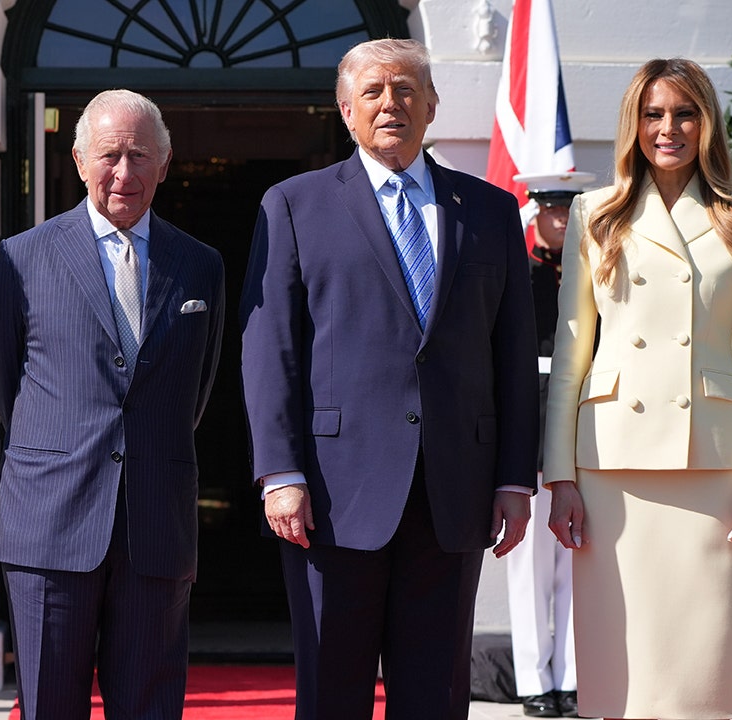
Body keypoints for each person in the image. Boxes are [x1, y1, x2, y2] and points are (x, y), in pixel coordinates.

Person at [240, 38, 539, 719]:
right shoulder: (293, 205)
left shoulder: (489, 210)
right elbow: (270, 348)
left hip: (454, 490)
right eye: (372, 91)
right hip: (330, 494)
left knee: (436, 694)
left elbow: (514, 353)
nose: (390, 104)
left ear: (431, 106)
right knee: (332, 691)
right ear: (346, 111)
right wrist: (279, 473)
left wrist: (514, 479)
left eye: (406, 90)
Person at [543, 58, 732, 719]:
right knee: (622, 668)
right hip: (612, 461)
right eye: (653, 114)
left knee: (707, 670)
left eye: (684, 113)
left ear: (706, 122)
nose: (668, 128)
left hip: (713, 463)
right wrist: (559, 475)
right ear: (635, 124)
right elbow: (571, 353)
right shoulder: (594, 212)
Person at [0, 89, 225, 718]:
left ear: (164, 164)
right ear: (80, 160)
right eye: (110, 155)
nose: (124, 172)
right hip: (49, 522)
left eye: (140, 155)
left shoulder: (200, 265)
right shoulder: (22, 257)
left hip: (155, 522)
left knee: (150, 706)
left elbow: (196, 389)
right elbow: (9, 384)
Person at [504, 171, 595, 719]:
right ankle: (534, 681)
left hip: (585, 421)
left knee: (578, 561)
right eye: (550, 211)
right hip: (532, 421)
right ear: (535, 214)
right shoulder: (520, 272)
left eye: (567, 211)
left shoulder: (593, 271)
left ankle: (573, 679)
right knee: (531, 566)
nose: (560, 221)